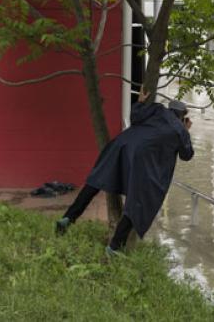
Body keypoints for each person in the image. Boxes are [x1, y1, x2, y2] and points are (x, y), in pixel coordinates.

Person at [56, 90, 194, 255]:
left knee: (97, 180)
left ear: (169, 108)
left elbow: (135, 117)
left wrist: (140, 101)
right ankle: (114, 246)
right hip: (144, 161)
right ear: (183, 116)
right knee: (138, 202)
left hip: (122, 145)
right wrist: (186, 131)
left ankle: (68, 217)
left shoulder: (156, 109)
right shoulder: (180, 129)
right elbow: (187, 155)